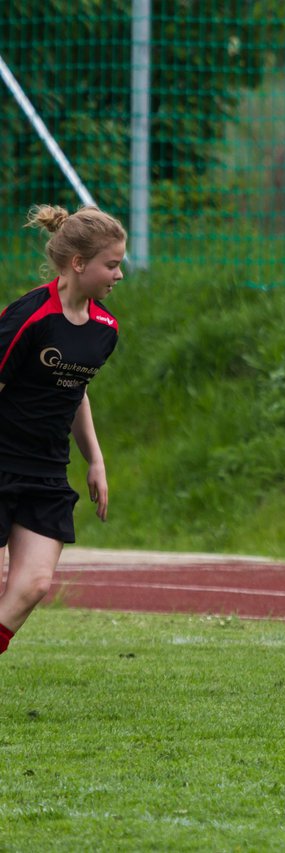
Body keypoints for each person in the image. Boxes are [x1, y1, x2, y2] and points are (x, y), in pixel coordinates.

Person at [0, 204, 124, 656]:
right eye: (111, 264)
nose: (119, 274)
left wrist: (95, 459)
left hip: (47, 471)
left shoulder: (105, 330)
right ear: (78, 263)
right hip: (2, 462)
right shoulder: (28, 316)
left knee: (32, 585)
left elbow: (74, 391)